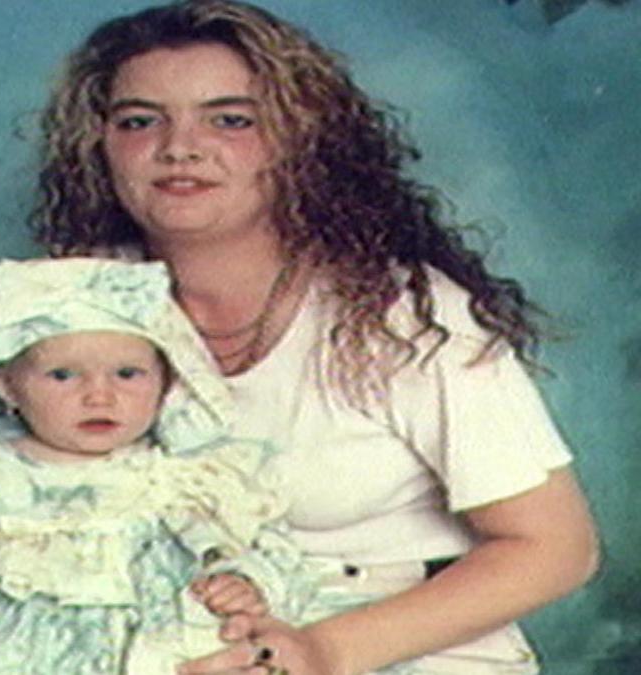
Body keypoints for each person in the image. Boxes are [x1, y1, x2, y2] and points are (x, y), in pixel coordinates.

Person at [29, 2, 600, 673]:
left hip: (402, 643)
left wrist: (324, 650)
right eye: (139, 121)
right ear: (98, 143)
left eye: (231, 119)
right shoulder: (69, 300)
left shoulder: (402, 313)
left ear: (297, 139)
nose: (179, 147)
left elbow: (557, 547)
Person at [0, 258, 312, 674]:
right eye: (62, 375)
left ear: (167, 384)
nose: (99, 395)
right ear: (5, 386)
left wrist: (245, 581)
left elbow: (270, 547)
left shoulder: (183, 480)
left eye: (128, 374)